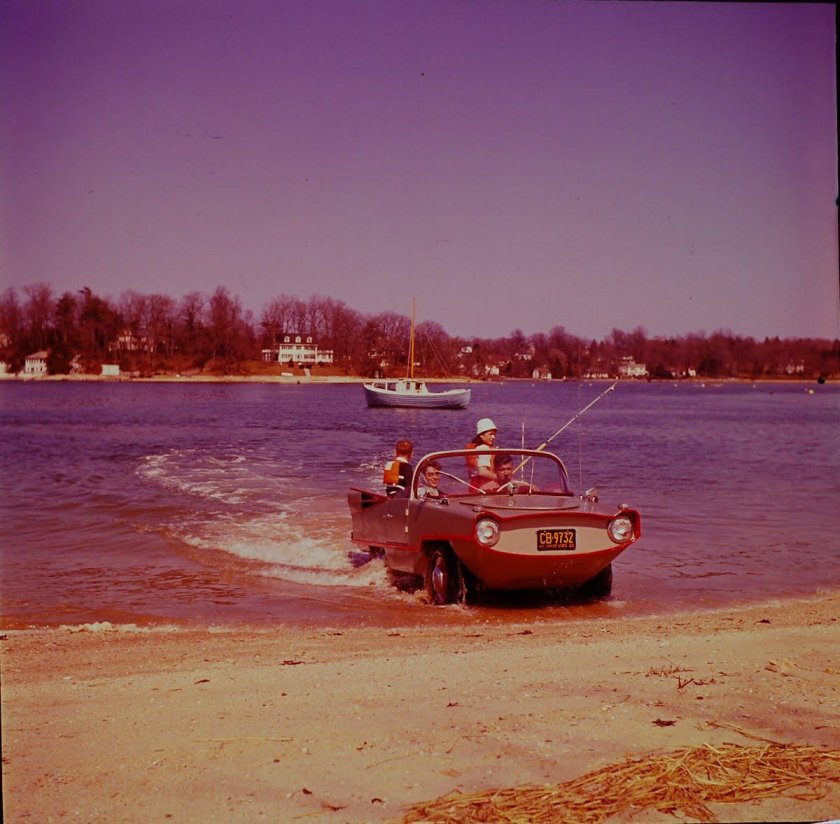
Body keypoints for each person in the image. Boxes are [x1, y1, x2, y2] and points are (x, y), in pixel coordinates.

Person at [466, 418, 498, 487]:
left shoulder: (477, 448)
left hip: (475, 487)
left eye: (494, 434)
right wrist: (499, 479)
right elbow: (482, 472)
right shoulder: (484, 448)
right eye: (490, 434)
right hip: (485, 488)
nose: (493, 437)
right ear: (481, 435)